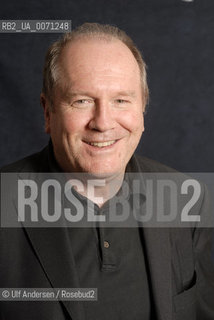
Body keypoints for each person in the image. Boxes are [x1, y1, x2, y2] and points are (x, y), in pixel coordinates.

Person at [0, 22, 214, 320]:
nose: (102, 122)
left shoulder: (189, 201)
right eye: (82, 101)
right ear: (48, 112)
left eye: (121, 101)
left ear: (142, 110)